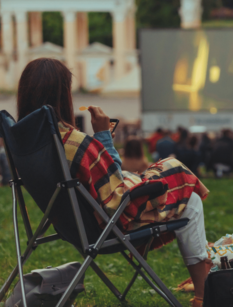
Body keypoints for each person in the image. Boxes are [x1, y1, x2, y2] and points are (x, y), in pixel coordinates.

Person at [16, 58, 208, 307]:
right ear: (62, 95)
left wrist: (102, 144)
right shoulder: (77, 144)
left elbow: (107, 184)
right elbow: (118, 198)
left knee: (172, 182)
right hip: (110, 226)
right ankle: (204, 297)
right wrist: (104, 138)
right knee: (188, 196)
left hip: (71, 225)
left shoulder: (26, 142)